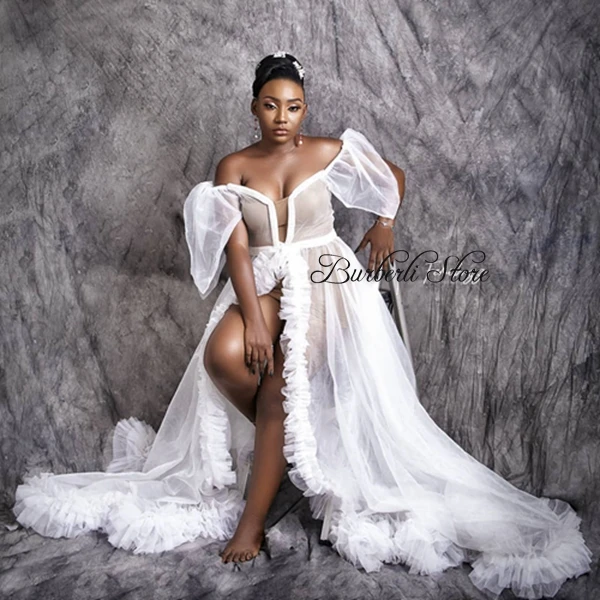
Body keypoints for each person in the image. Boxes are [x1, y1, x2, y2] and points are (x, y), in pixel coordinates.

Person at [12, 52, 591, 600]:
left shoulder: (328, 151)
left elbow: (392, 175)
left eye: (292, 106)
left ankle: (253, 520)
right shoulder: (234, 166)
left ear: (304, 109)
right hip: (264, 281)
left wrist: (384, 223)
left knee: (278, 387)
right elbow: (238, 250)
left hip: (325, 283)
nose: (282, 118)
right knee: (223, 356)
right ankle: (292, 446)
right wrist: (253, 321)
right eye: (271, 105)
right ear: (254, 106)